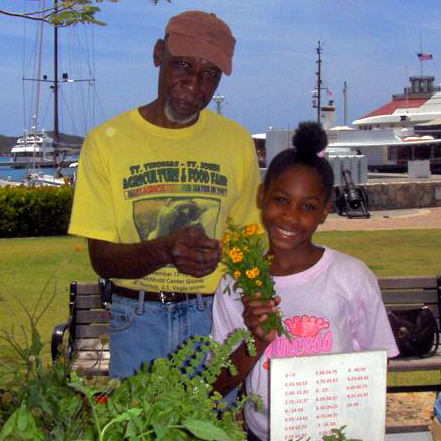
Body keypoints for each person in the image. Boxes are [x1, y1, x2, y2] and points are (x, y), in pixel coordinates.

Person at [68, 10, 261, 378]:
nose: (194, 83)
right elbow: (102, 259)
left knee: (213, 428)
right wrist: (165, 249)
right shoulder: (106, 141)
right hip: (135, 320)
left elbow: (249, 240)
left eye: (209, 75)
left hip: (215, 319)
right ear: (159, 54)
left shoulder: (236, 142)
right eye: (183, 65)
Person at [211, 121, 399, 441]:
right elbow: (217, 385)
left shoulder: (351, 276)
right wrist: (256, 339)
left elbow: (377, 362)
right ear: (262, 196)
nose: (290, 216)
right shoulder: (238, 284)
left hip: (337, 432)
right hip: (264, 432)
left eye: (308, 206)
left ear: (325, 211)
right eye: (281, 200)